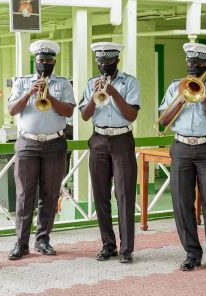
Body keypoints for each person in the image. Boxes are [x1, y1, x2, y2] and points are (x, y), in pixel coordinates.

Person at [158, 42, 206, 276]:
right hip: (181, 147)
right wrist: (181, 99)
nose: (192, 68)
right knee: (181, 204)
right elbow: (162, 122)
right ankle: (192, 254)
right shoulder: (175, 87)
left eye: (198, 64)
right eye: (190, 64)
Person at [7, 40, 76, 260]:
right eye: (40, 60)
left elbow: (68, 111)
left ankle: (43, 240)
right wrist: (29, 93)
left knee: (50, 194)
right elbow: (11, 109)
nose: (44, 63)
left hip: (55, 143)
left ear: (54, 61)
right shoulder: (22, 82)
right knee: (24, 195)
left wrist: (49, 96)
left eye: (48, 60)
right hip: (27, 143)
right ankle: (21, 243)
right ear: (34, 61)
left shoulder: (63, 84)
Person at [79, 42, 140, 263]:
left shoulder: (130, 82)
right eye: (100, 62)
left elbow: (131, 115)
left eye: (107, 62)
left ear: (117, 61)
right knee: (100, 195)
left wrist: (113, 93)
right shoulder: (90, 84)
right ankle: (108, 245)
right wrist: (95, 96)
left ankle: (126, 249)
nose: (103, 66)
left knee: (124, 195)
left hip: (122, 139)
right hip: (98, 139)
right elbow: (85, 116)